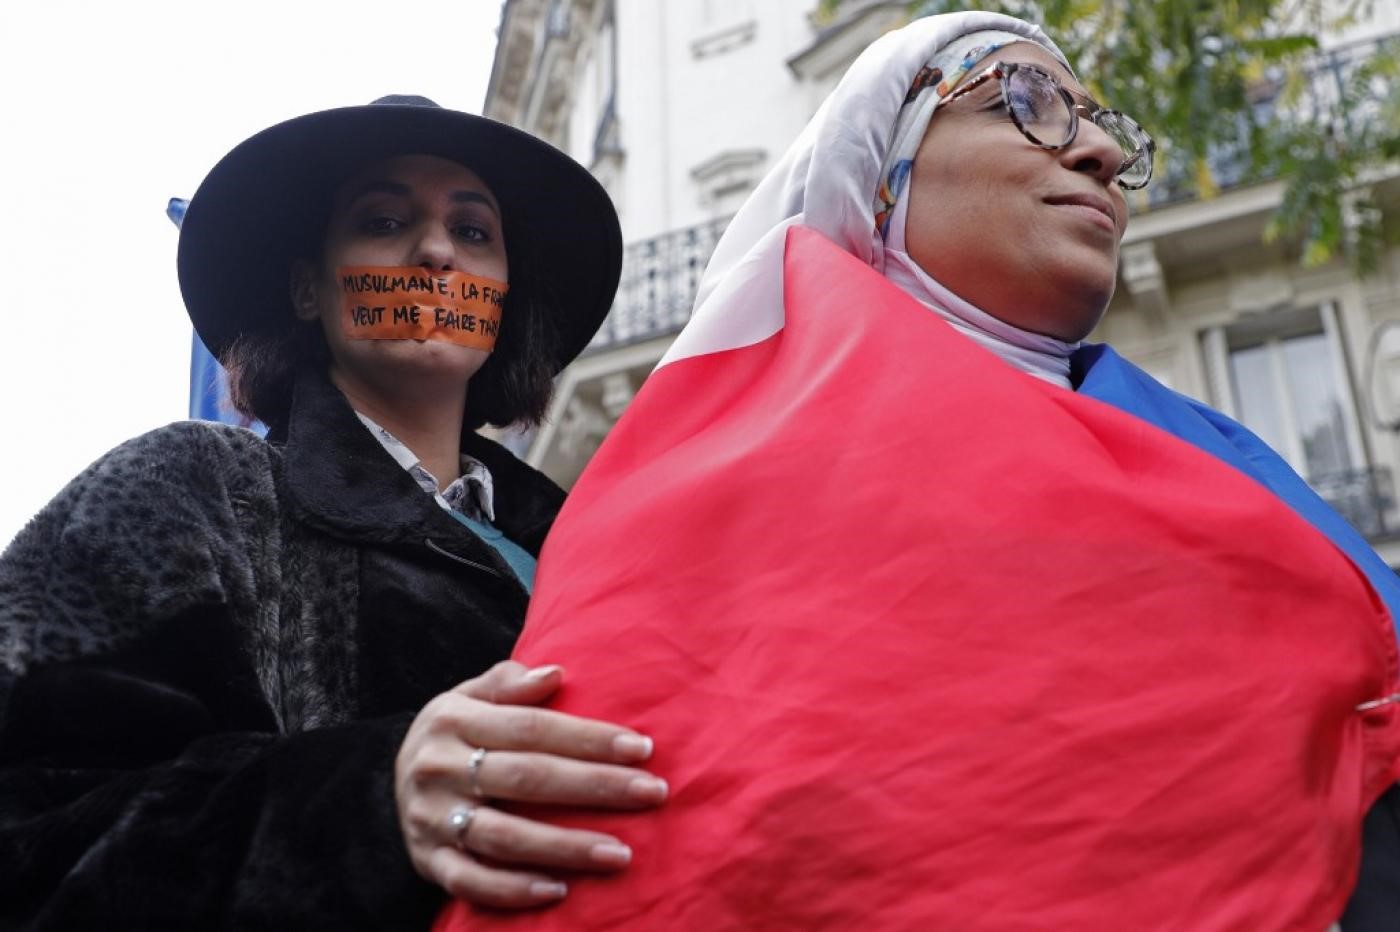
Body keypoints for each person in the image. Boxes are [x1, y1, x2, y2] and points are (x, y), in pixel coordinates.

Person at [432, 12, 1400, 931]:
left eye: (1106, 126)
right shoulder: (687, 491)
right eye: (1024, 103)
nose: (1101, 153)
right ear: (882, 176)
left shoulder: (1220, 459)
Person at [0, 96, 669, 929]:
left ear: (502, 299)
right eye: (384, 221)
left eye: (472, 232)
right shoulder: (188, 492)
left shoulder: (599, 550)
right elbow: (33, 834)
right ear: (307, 288)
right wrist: (368, 801)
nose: (436, 251)